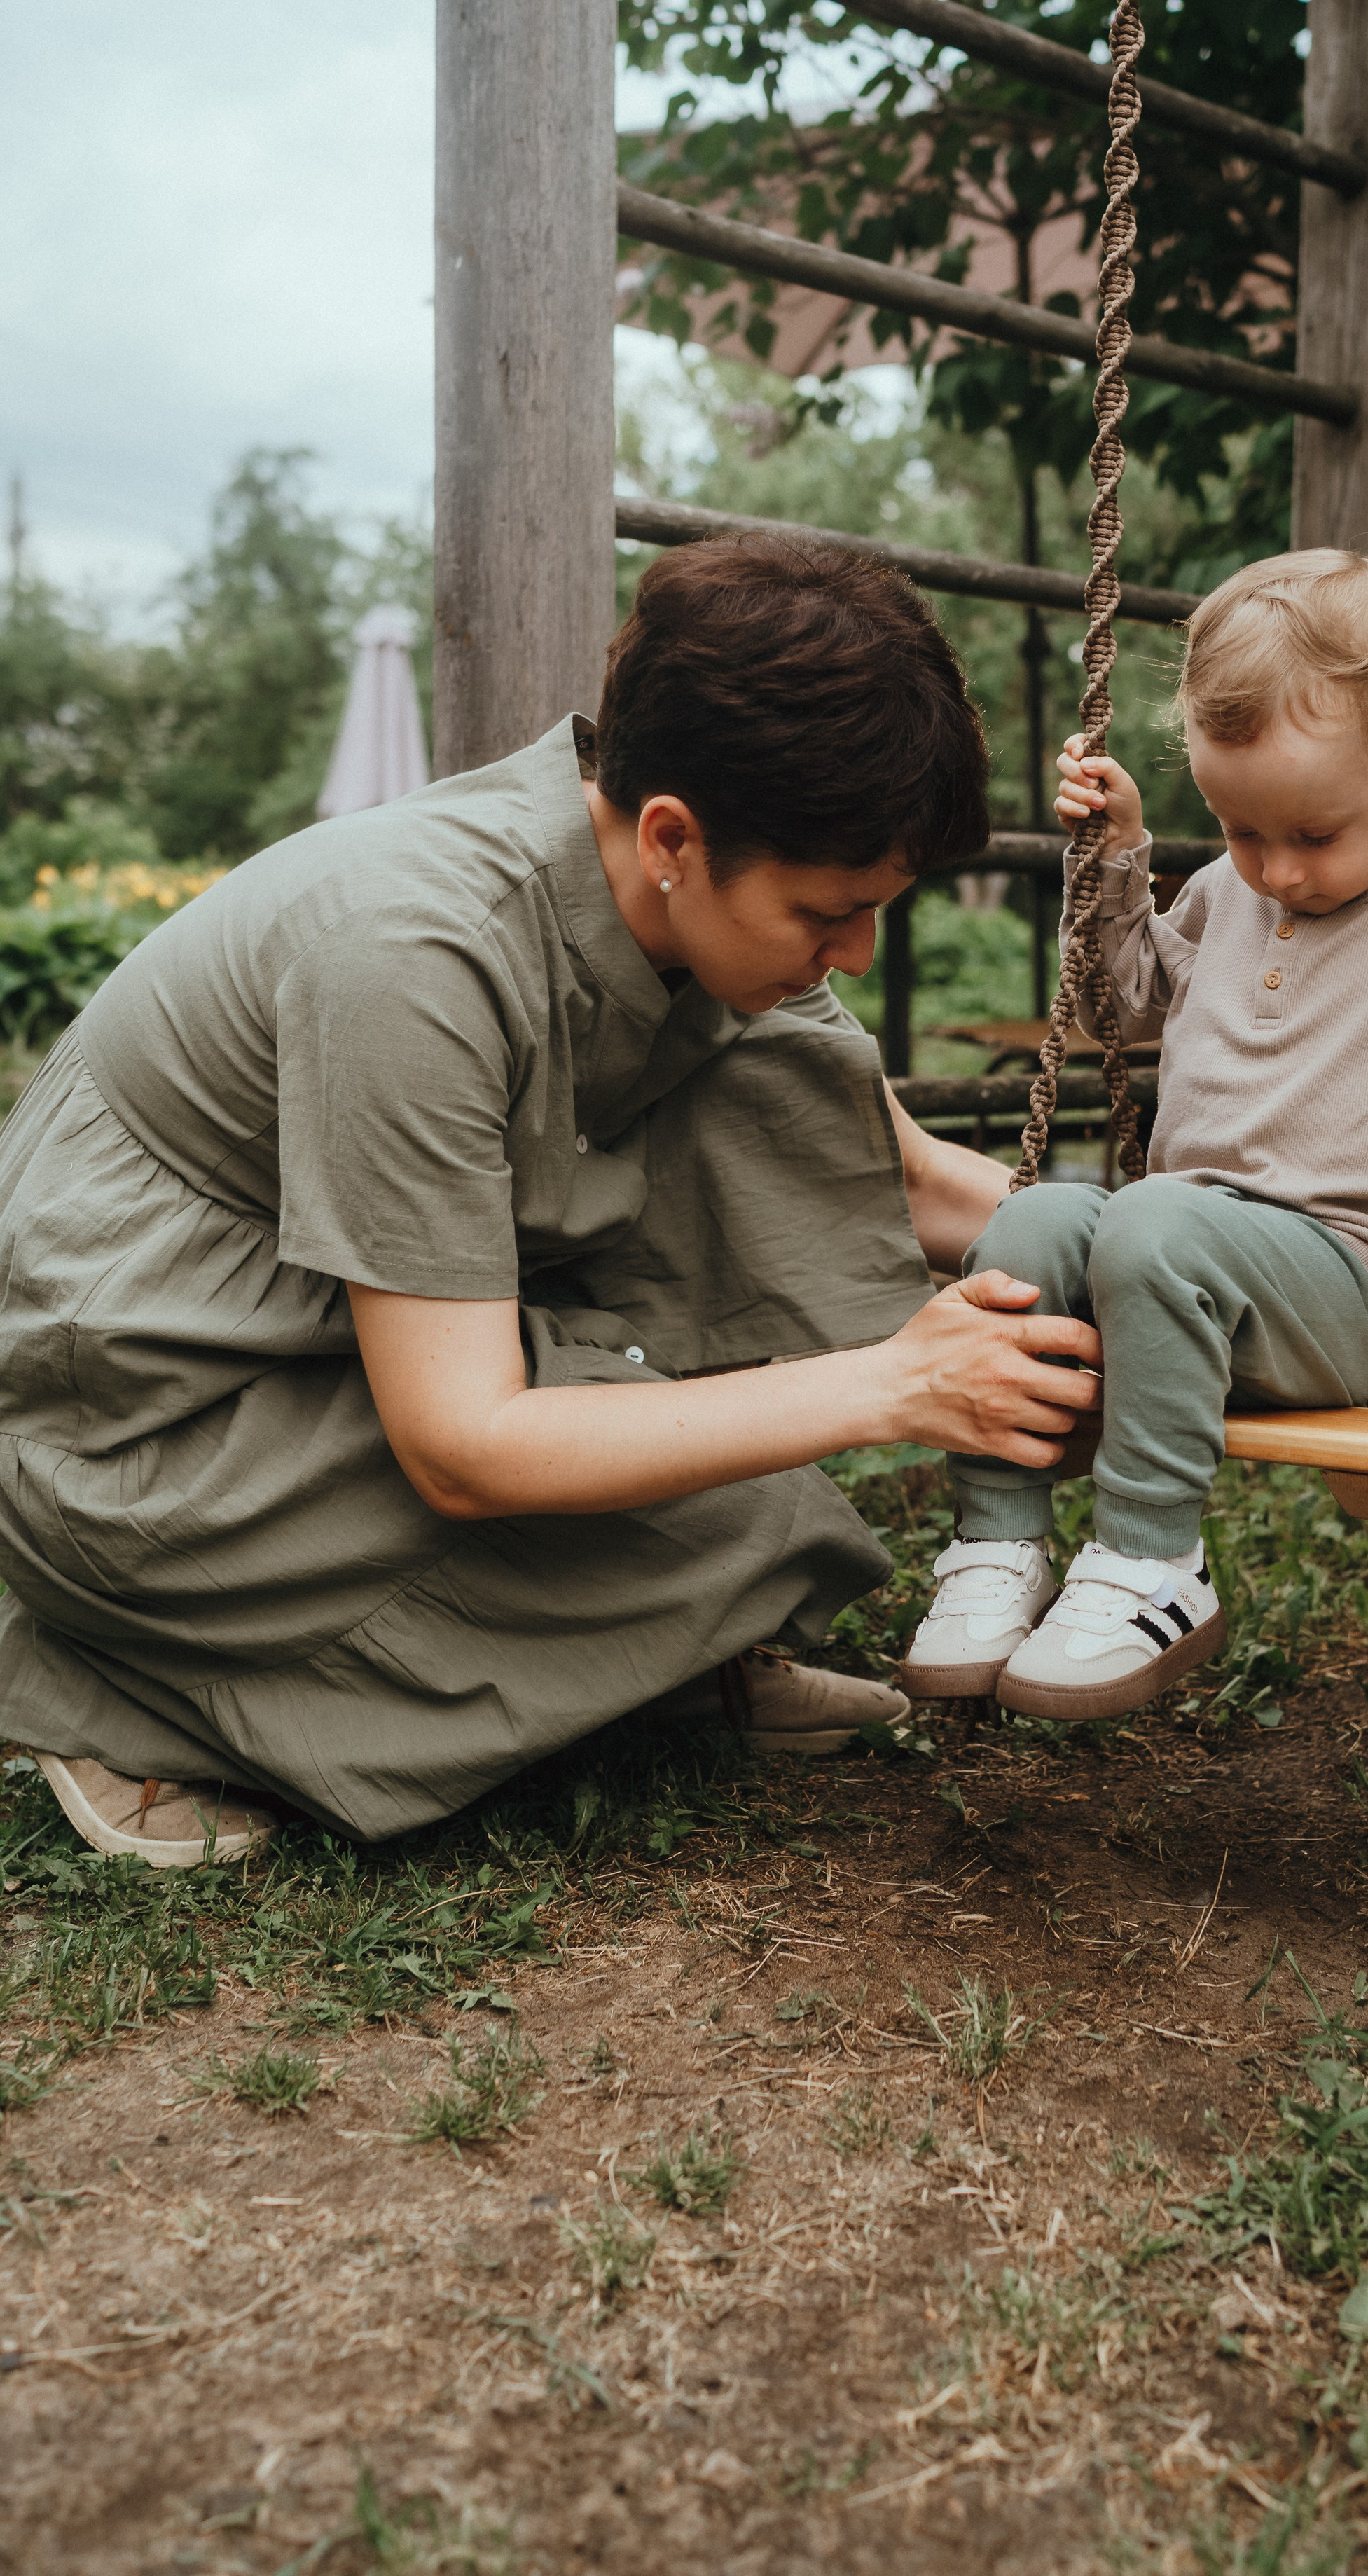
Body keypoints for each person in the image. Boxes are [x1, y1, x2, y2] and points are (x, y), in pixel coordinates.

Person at [0, 537, 1100, 1866]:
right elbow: (467, 1445)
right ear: (673, 838)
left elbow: (910, 1174)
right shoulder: (410, 959)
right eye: (828, 912)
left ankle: (627, 1664)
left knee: (743, 1516)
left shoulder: (670, 889)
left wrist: (1164, 1250)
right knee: (698, 1500)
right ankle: (121, 1689)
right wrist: (895, 1387)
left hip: (326, 1330)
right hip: (141, 1414)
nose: (855, 955)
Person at [901, 548, 1368, 1719]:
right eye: (1238, 830)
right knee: (1032, 1219)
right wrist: (1119, 858)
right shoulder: (1225, 898)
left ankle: (1148, 1561)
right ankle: (999, 1543)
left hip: (1345, 1292)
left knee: (1155, 1220)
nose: (1277, 870)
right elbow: (1114, 1014)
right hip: (1179, 1270)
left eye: (1314, 836)